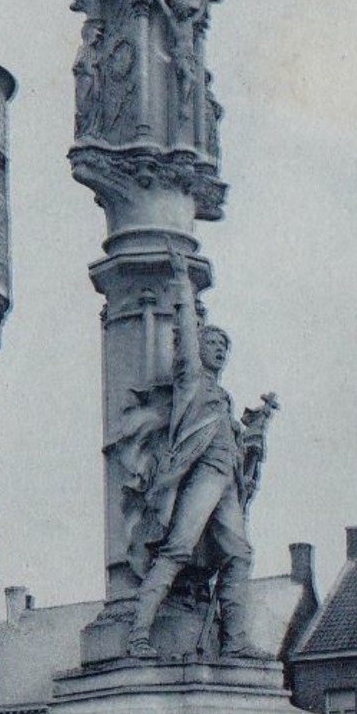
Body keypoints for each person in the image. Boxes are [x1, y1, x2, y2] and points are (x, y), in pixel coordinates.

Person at [126, 241, 269, 659]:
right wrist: (182, 284)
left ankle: (235, 641)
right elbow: (186, 331)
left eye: (225, 346)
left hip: (226, 481)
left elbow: (238, 448)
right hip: (202, 476)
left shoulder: (223, 398)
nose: (220, 349)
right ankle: (138, 636)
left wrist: (255, 432)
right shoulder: (191, 382)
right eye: (214, 343)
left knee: (239, 555)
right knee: (177, 550)